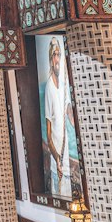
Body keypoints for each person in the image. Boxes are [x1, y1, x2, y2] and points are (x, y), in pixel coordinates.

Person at [43, 38, 73, 197]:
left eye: (59, 55)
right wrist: (56, 158)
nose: (57, 59)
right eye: (54, 55)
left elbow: (69, 112)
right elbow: (48, 135)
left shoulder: (63, 84)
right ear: (50, 59)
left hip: (66, 158)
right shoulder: (49, 88)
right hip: (58, 163)